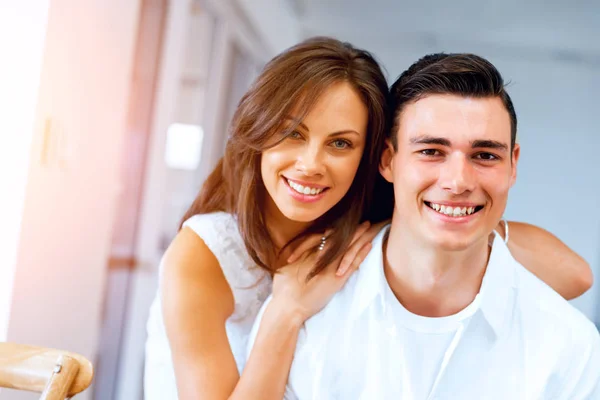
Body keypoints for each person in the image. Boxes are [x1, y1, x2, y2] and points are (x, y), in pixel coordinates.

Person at [144, 37, 592, 400]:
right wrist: (287, 311)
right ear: (257, 129)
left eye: (340, 143)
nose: (309, 164)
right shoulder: (203, 252)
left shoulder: (358, 221)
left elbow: (575, 276)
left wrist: (444, 219)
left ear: (372, 156)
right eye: (291, 134)